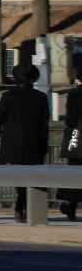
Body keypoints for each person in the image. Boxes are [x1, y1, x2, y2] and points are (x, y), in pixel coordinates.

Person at [0, 44, 51, 222]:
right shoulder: (40, 97)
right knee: (32, 176)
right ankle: (26, 207)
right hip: (34, 142)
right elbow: (44, 122)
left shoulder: (9, 95)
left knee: (18, 177)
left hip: (12, 142)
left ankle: (19, 207)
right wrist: (44, 145)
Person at [57, 64, 82, 221]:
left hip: (77, 136)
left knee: (73, 172)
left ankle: (71, 207)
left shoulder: (73, 95)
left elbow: (71, 119)